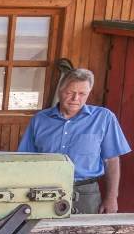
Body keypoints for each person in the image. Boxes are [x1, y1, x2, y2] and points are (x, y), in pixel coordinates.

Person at [18, 68, 131, 214]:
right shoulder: (40, 119)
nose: (75, 98)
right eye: (70, 92)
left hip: (86, 193)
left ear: (88, 93)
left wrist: (111, 198)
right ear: (60, 90)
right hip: (45, 191)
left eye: (82, 94)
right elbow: (26, 160)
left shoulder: (104, 118)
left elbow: (112, 160)